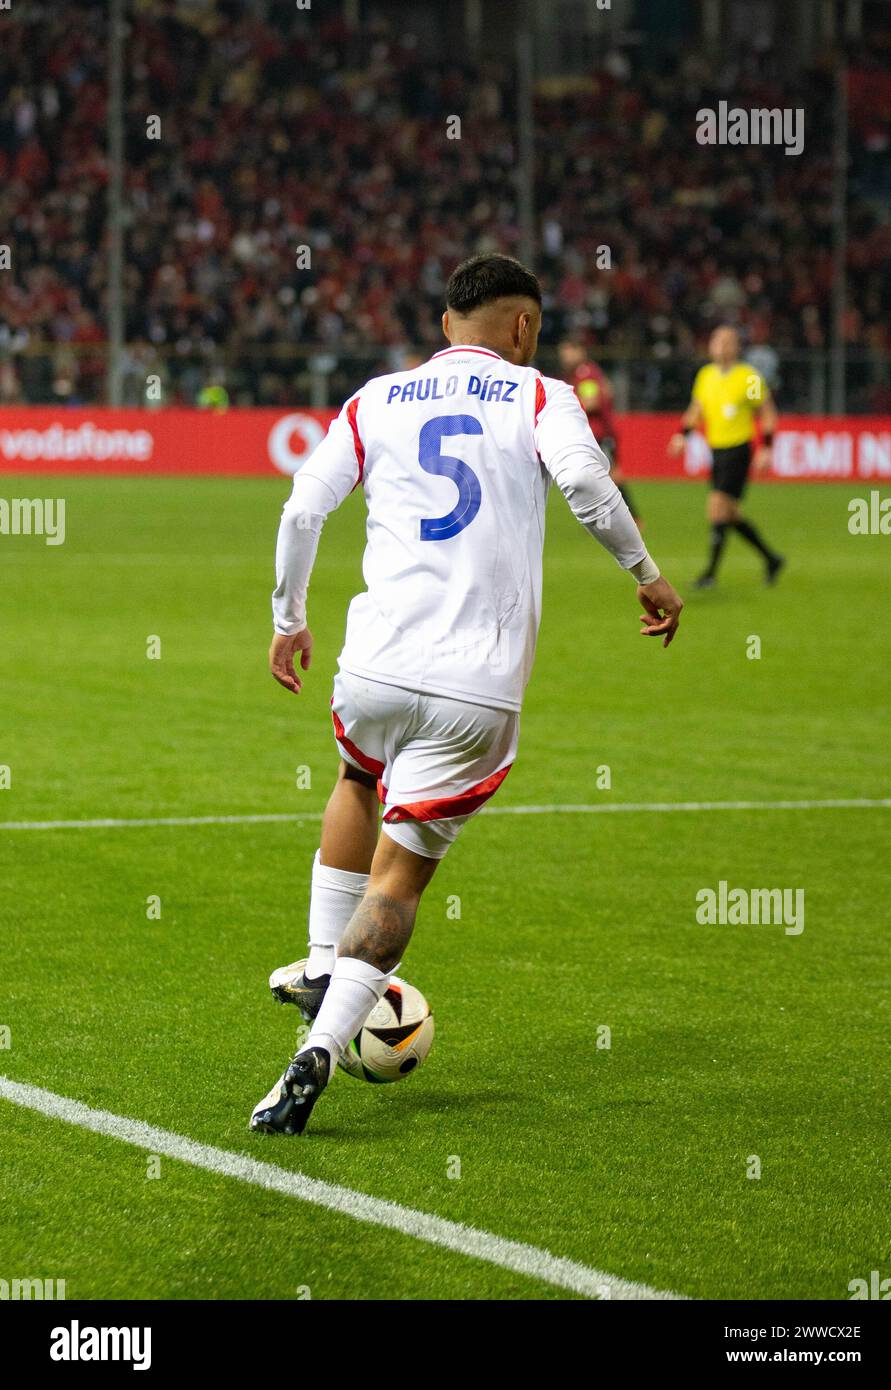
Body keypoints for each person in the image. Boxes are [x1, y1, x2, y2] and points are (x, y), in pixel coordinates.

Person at [250, 253, 683, 1136]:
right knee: (401, 876)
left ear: (447, 325)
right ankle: (321, 1049)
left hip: (374, 660)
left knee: (356, 781)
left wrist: (288, 616)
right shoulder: (539, 396)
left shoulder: (375, 397)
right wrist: (644, 573)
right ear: (522, 328)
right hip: (476, 686)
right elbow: (586, 485)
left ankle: (317, 960)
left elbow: (302, 507)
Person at [669, 327, 785, 589]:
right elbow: (695, 410)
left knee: (717, 506)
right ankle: (772, 559)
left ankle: (710, 574)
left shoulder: (749, 378)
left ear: (736, 347)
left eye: (726, 342)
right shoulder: (706, 375)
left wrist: (766, 448)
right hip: (717, 450)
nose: (719, 346)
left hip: (738, 449)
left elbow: (766, 412)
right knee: (730, 514)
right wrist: (682, 435)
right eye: (716, 341)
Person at [557, 338, 641, 524]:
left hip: (600, 433)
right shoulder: (580, 373)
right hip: (594, 433)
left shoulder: (584, 372)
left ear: (580, 352)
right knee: (598, 476)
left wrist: (566, 406)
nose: (564, 357)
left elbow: (591, 401)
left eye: (568, 352)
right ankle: (607, 518)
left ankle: (632, 517)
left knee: (611, 474)